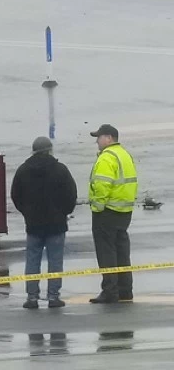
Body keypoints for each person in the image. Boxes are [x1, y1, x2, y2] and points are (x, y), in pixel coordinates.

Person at [10, 136, 77, 308]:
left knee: (32, 261)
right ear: (50, 150)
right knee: (55, 261)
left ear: (33, 151)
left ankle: (32, 297)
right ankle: (53, 297)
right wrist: (64, 212)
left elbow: (15, 195)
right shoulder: (61, 169)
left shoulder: (23, 170)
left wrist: (27, 213)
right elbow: (71, 194)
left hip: (33, 224)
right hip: (56, 224)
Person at [88, 124, 138, 303]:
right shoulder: (125, 155)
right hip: (124, 211)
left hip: (107, 212)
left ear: (109, 138)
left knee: (106, 252)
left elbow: (102, 185)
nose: (97, 141)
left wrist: (97, 207)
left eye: (99, 137)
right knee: (122, 251)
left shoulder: (107, 157)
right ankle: (125, 290)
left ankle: (110, 291)